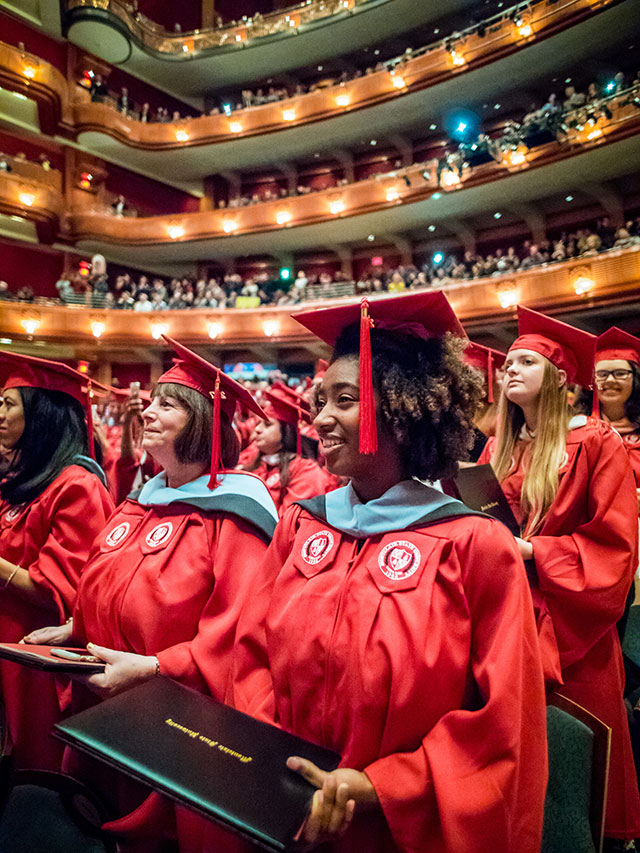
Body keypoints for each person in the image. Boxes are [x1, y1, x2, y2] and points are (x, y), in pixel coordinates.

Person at [227, 292, 548, 852]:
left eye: (344, 399)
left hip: (400, 829)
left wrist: (379, 786)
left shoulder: (474, 546)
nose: (320, 417)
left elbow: (502, 727)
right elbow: (252, 656)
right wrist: (278, 769)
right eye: (320, 399)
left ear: (402, 411)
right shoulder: (302, 527)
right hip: (284, 811)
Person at [25, 337, 279, 845]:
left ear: (203, 423)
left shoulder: (236, 515)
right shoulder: (144, 502)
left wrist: (158, 667)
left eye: (168, 403)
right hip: (105, 711)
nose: (148, 409)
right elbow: (106, 583)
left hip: (178, 730)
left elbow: (238, 634)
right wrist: (77, 625)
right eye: (152, 400)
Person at [479, 307, 640, 844]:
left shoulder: (596, 442)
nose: (510, 371)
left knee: (573, 780)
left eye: (526, 361)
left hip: (572, 628)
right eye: (508, 364)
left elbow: (615, 547)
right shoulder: (497, 449)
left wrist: (535, 551)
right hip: (506, 613)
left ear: (560, 379)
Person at [0, 351, 114, 770]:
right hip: (7, 657)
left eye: (8, 404)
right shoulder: (25, 483)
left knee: (30, 779)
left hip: (34, 669)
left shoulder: (77, 486)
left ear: (41, 415)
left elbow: (62, 593)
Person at [241, 387, 329, 515]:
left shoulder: (305, 471)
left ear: (286, 430)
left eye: (267, 425)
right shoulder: (255, 463)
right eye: (258, 424)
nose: (257, 430)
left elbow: (290, 522)